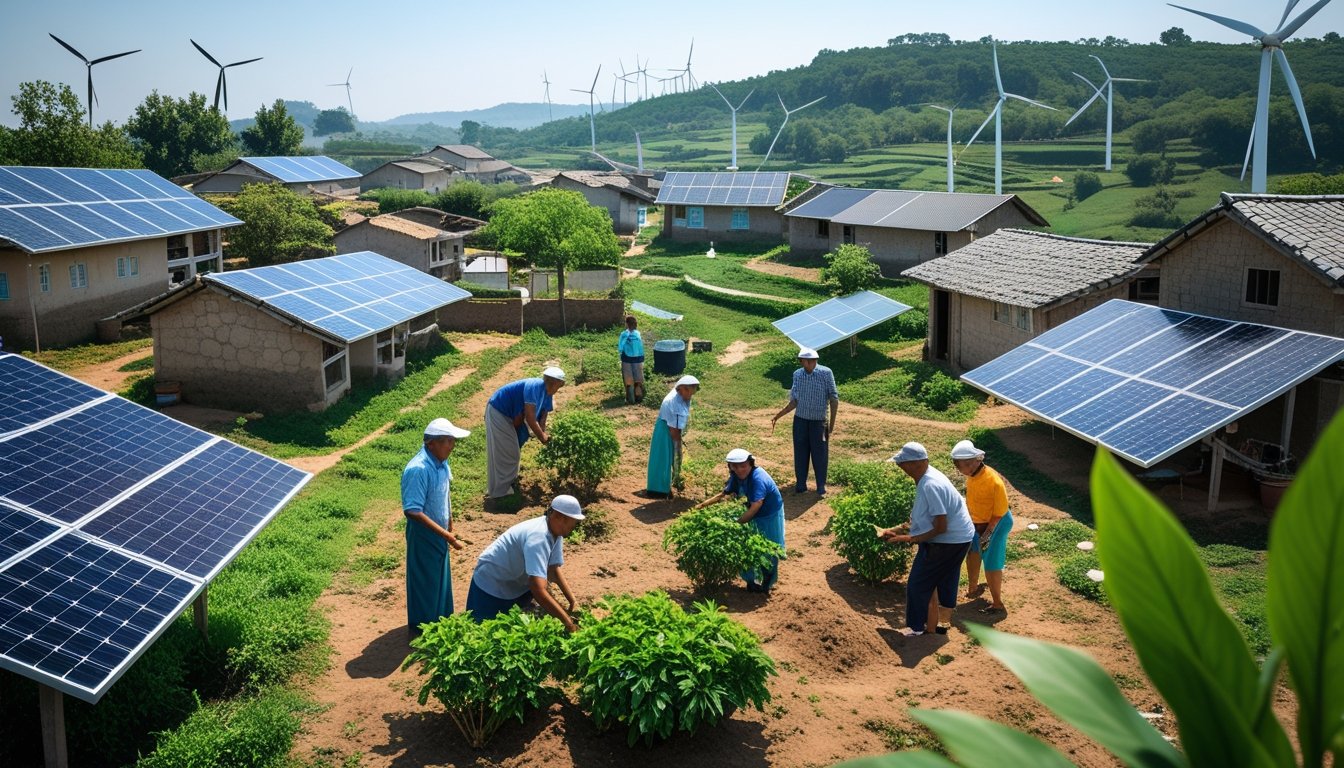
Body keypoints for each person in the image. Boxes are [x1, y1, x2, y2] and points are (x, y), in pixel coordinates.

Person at [879, 442, 976, 636]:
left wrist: (908, 539)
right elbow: (925, 517)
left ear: (917, 463)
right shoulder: (929, 475)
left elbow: (941, 526)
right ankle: (940, 625)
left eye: (902, 463)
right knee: (945, 578)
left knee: (918, 584)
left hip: (948, 540)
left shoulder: (930, 485)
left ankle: (916, 629)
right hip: (960, 536)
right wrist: (897, 529)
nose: (900, 467)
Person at [464, 495, 584, 632]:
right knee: (481, 630)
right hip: (492, 581)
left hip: (514, 582)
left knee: (511, 628)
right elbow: (538, 589)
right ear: (559, 517)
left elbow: (552, 570)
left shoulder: (555, 532)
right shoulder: (538, 537)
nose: (574, 525)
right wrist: (568, 624)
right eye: (573, 520)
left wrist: (572, 600)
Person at [401, 417, 471, 634]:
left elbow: (445, 494)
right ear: (431, 443)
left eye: (452, 441)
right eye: (447, 441)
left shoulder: (442, 462)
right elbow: (412, 510)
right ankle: (423, 628)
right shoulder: (418, 469)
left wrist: (450, 523)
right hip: (424, 534)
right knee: (425, 580)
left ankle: (441, 621)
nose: (451, 446)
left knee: (439, 579)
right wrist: (446, 535)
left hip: (440, 532)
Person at [696, 448, 786, 593]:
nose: (739, 469)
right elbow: (724, 494)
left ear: (750, 464)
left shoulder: (758, 478)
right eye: (735, 466)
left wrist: (736, 524)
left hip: (769, 514)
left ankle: (766, 584)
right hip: (751, 511)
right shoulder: (736, 476)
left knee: (769, 548)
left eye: (742, 465)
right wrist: (701, 506)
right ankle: (751, 582)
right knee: (746, 547)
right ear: (730, 466)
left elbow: (757, 505)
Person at [484, 367, 565, 504]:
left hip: (511, 417)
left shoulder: (548, 394)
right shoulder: (535, 386)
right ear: (547, 380)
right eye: (551, 382)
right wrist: (543, 438)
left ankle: (507, 485)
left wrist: (543, 433)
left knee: (512, 451)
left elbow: (543, 415)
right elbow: (530, 418)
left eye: (556, 384)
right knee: (507, 452)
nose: (553, 386)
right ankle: (500, 492)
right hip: (499, 411)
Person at [951, 439, 1014, 614]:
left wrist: (987, 534)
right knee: (972, 552)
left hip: (996, 524)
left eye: (959, 465)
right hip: (978, 523)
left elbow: (999, 513)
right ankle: (973, 588)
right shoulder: (973, 476)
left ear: (971, 463)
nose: (957, 468)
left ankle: (997, 603)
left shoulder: (993, 481)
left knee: (991, 561)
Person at [771, 348, 839, 496]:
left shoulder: (826, 373)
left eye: (813, 361)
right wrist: (778, 415)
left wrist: (831, 425)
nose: (810, 363)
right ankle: (801, 484)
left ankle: (821, 486)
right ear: (802, 361)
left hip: (819, 422)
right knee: (800, 453)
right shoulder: (797, 375)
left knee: (820, 454)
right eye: (806, 361)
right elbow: (794, 401)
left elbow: (834, 399)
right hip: (800, 421)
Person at [645, 375, 699, 498]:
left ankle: (672, 483)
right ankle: (659, 491)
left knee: (667, 458)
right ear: (682, 389)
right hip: (666, 430)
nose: (691, 395)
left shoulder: (682, 396)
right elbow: (674, 431)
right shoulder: (673, 403)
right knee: (663, 459)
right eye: (690, 391)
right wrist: (678, 445)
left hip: (670, 428)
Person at [617, 314, 646, 404]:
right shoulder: (638, 334)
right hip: (638, 359)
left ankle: (630, 400)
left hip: (626, 359)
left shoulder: (624, 334)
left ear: (626, 324)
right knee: (638, 379)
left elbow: (620, 348)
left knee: (628, 379)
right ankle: (639, 398)